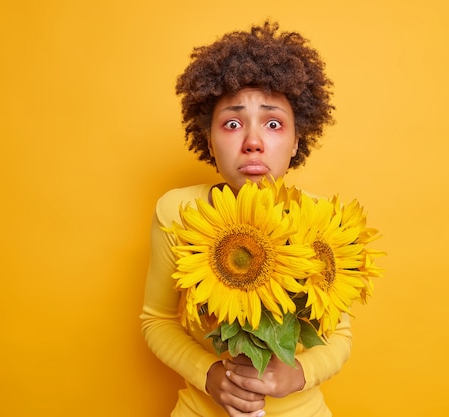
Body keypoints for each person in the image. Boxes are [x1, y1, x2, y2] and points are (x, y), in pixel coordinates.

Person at [141, 21, 352, 417]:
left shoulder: (324, 223)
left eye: (273, 124)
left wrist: (299, 373)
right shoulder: (176, 215)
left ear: (295, 143)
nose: (252, 141)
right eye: (233, 123)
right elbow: (156, 320)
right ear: (208, 140)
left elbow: (340, 335)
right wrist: (208, 374)